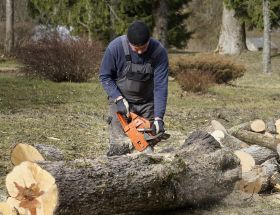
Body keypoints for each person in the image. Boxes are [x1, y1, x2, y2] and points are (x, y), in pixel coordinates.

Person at [99, 20, 169, 156]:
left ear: (149, 40)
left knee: (146, 147)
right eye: (135, 48)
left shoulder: (159, 52)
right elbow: (105, 76)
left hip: (147, 103)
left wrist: (159, 117)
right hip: (120, 100)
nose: (140, 51)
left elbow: (161, 86)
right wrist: (118, 98)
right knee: (119, 145)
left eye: (143, 47)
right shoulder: (115, 48)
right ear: (128, 42)